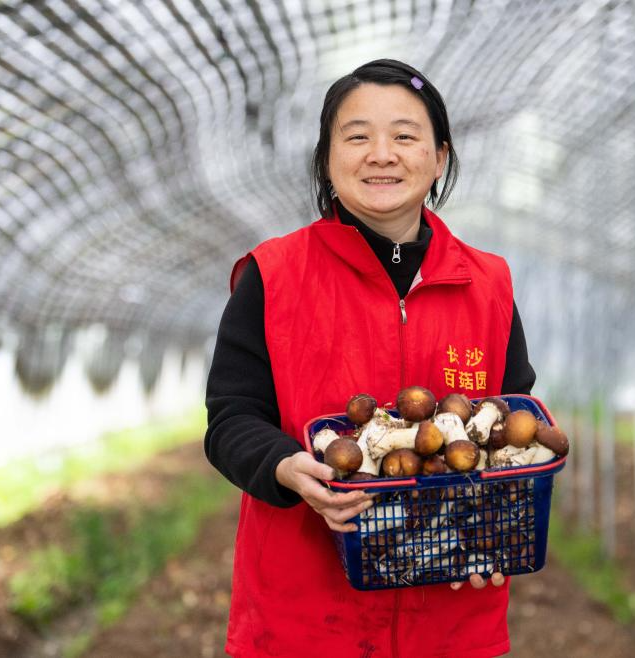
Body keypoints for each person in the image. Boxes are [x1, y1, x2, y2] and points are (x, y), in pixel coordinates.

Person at [205, 59, 536, 657]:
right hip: (305, 617)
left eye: (405, 136)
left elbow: (513, 422)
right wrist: (284, 467)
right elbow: (231, 418)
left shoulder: (488, 283)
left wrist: (498, 526)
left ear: (439, 157)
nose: (381, 154)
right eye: (357, 136)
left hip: (450, 614)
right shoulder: (275, 275)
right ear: (327, 159)